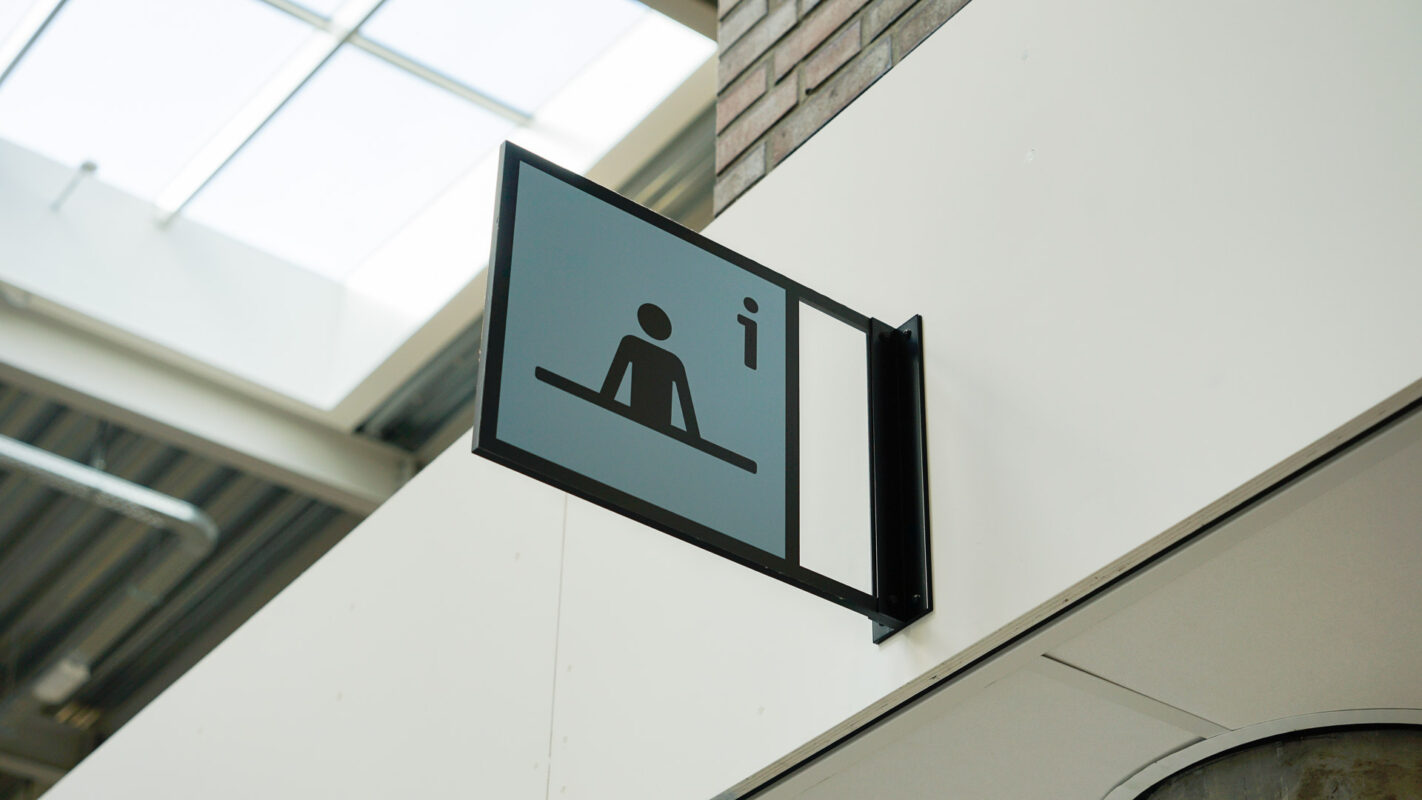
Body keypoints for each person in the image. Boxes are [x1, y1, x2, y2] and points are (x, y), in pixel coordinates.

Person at [599, 303, 699, 438]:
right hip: (637, 413)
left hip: (660, 421)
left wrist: (693, 435)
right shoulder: (632, 344)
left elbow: (686, 405)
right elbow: (612, 383)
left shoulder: (672, 361)